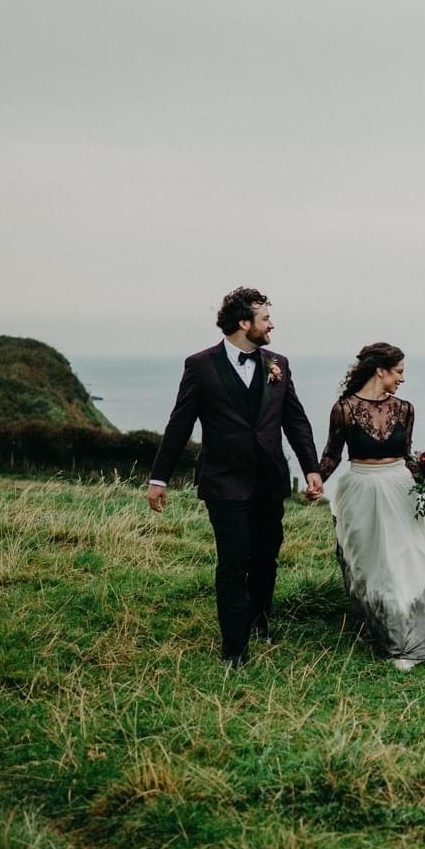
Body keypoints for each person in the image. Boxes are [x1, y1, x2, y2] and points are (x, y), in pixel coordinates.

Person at [146, 286, 324, 667]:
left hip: (269, 478)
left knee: (266, 556)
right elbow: (180, 423)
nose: (272, 324)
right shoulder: (200, 365)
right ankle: (234, 648)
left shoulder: (279, 363)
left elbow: (294, 418)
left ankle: (259, 621)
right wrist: (159, 478)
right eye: (265, 318)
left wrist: (311, 467)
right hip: (224, 480)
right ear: (244, 323)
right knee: (232, 561)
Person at [319, 343, 425, 670]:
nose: (402, 378)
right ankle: (392, 635)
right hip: (361, 489)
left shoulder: (405, 409)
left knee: (417, 560)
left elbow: (408, 456)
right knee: (375, 565)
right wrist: (316, 479)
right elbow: (332, 454)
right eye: (399, 371)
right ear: (380, 370)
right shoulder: (342, 408)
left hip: (401, 489)